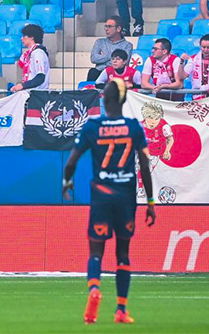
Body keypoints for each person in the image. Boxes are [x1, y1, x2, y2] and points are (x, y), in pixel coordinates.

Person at [63, 79, 156, 325]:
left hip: (102, 196)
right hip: (126, 197)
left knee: (96, 251)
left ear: (103, 99)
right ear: (123, 100)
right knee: (123, 253)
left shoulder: (93, 127)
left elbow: (71, 161)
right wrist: (150, 201)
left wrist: (66, 183)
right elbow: (145, 167)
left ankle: (94, 289)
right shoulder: (134, 127)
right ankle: (121, 309)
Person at [88, 17, 134, 82]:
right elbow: (93, 58)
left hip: (116, 74)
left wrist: (103, 58)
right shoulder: (100, 42)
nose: (106, 29)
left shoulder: (127, 45)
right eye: (105, 26)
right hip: (99, 72)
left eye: (109, 26)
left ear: (118, 29)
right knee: (92, 72)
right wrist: (113, 57)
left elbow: (123, 64)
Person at [12, 23, 50, 92]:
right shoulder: (30, 53)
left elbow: (40, 77)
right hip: (30, 93)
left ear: (31, 37)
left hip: (38, 95)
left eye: (24, 36)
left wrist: (22, 86)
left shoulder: (38, 53)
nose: (21, 38)